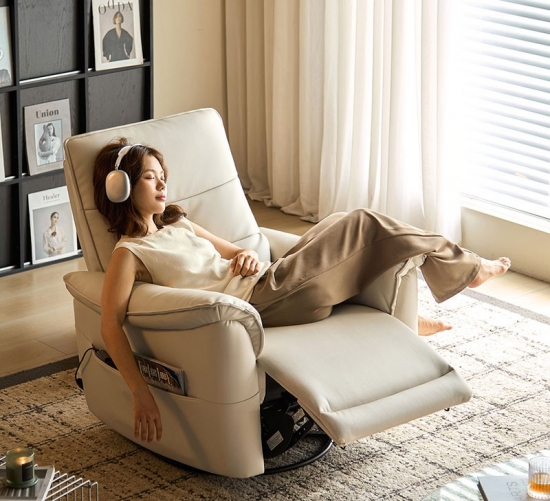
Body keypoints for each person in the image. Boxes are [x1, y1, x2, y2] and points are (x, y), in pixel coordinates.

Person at [93, 139, 511, 443]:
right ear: (122, 187)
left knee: (339, 220)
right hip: (260, 301)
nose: (162, 185)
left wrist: (247, 257)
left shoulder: (179, 223)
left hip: (268, 279)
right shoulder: (130, 253)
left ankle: (408, 318)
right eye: (149, 177)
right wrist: (140, 393)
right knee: (362, 223)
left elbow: (235, 251)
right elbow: (110, 326)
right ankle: (468, 268)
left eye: (163, 177)